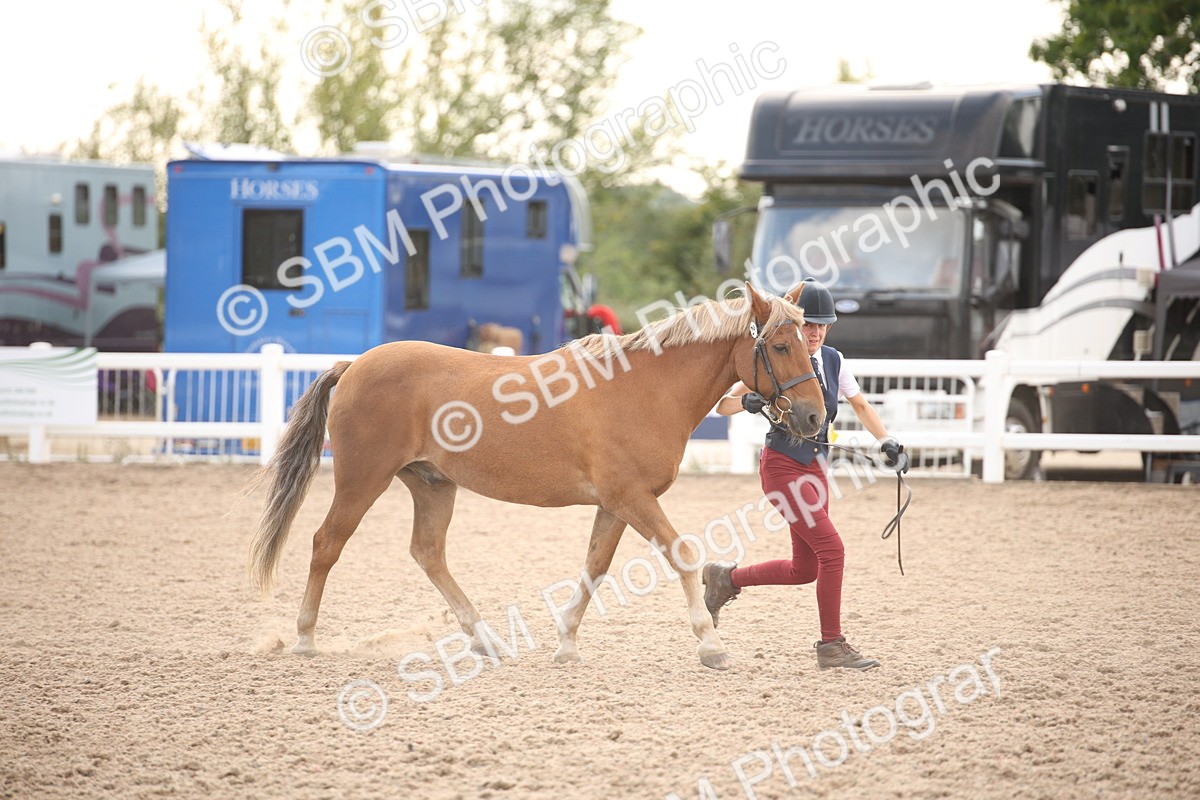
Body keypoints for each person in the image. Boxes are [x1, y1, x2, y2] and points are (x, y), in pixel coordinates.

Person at [703, 278, 907, 671]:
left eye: (822, 325)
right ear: (797, 325)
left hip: (816, 470)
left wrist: (887, 441)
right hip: (782, 467)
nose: (815, 332)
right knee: (833, 551)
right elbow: (721, 406)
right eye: (809, 324)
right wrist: (746, 401)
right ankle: (831, 644)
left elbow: (861, 405)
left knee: (805, 569)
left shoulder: (833, 360)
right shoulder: (776, 355)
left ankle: (726, 579)